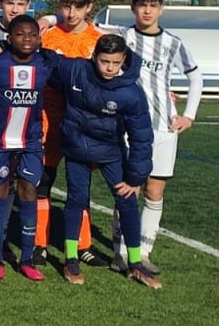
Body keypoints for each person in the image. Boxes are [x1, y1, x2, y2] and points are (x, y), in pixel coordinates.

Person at [102, 0, 202, 273]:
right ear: (133, 7)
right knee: (125, 190)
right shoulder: (121, 37)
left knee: (154, 191)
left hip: (163, 128)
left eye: (153, 5)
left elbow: (195, 77)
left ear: (161, 8)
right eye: (142, 5)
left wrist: (189, 115)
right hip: (126, 127)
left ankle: (143, 251)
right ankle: (120, 252)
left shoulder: (173, 43)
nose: (147, 11)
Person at [55, 34, 158, 288]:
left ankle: (134, 264)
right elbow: (44, 59)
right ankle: (70, 259)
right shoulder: (76, 70)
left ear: (124, 60)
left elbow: (142, 137)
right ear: (94, 57)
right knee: (77, 200)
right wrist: (3, 46)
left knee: (127, 200)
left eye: (115, 62)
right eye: (104, 61)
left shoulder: (131, 93)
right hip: (76, 148)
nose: (110, 68)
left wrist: (135, 177)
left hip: (110, 151)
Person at [34, 0, 101, 266]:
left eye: (78, 7)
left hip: (82, 125)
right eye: (66, 6)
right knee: (43, 182)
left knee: (79, 188)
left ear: (89, 8)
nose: (71, 13)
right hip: (48, 120)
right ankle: (39, 244)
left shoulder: (99, 40)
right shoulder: (47, 35)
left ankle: (84, 245)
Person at [0, 15, 51, 281]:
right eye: (20, 34)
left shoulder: (45, 64)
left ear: (39, 38)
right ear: (9, 39)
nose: (27, 39)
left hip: (30, 142)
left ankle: (27, 257)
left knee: (28, 191)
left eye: (32, 34)